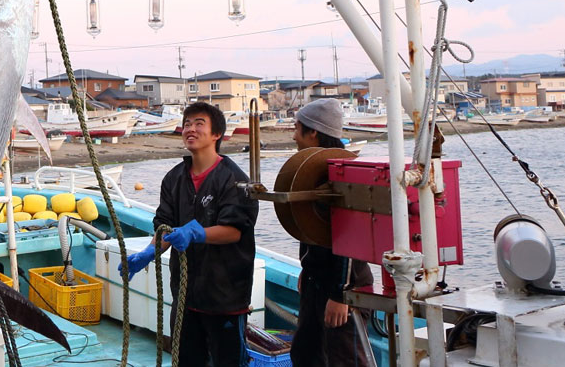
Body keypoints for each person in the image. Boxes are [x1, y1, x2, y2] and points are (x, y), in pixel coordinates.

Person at [119, 102, 258, 367]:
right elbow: (164, 226)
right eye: (186, 124)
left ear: (216, 134)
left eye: (198, 124)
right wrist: (149, 252)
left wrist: (198, 233)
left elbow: (234, 231)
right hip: (185, 298)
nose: (190, 129)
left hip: (225, 297)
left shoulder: (233, 179)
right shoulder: (174, 179)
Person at [289, 98, 374, 367]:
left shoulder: (344, 174)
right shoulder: (316, 170)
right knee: (306, 355)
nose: (293, 135)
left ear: (313, 132)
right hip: (316, 280)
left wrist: (341, 295)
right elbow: (314, 227)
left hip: (344, 286)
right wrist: (308, 266)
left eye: (297, 128)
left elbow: (352, 236)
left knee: (343, 359)